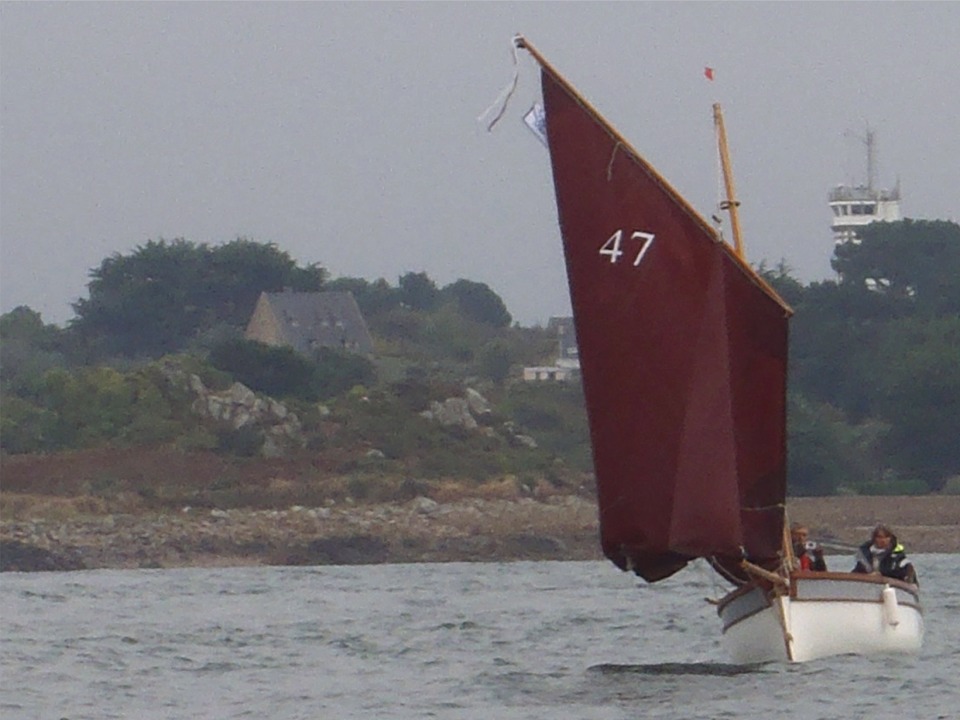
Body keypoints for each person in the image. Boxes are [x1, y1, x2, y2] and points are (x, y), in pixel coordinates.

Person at [852, 523, 918, 585]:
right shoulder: (865, 556)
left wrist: (881, 575)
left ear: (891, 538)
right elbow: (856, 574)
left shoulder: (899, 558)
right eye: (879, 537)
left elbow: (907, 577)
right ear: (874, 538)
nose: (883, 540)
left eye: (886, 537)